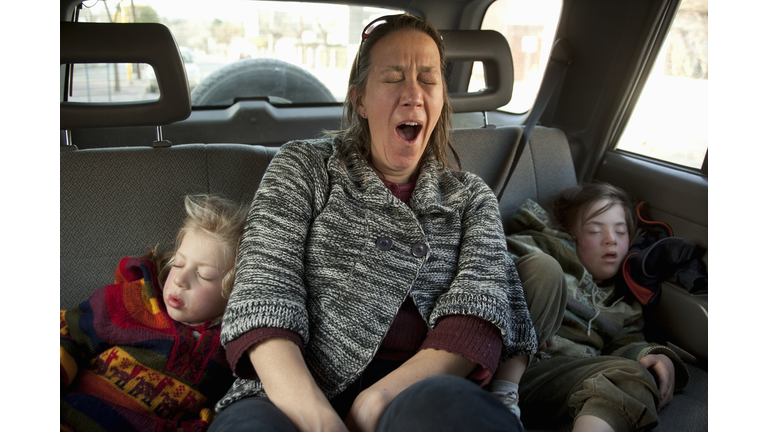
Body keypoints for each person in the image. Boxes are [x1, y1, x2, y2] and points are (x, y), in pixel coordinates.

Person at [210, 14, 537, 432]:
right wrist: (321, 421)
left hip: (418, 388)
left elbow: (480, 315)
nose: (413, 95)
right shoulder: (304, 167)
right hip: (288, 390)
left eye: (428, 79)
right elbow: (263, 296)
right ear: (360, 100)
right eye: (393, 78)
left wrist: (378, 398)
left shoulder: (471, 198)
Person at [492, 182, 690, 432]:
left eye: (621, 232)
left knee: (634, 377)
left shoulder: (622, 305)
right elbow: (493, 271)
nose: (611, 240)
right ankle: (498, 402)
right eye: (596, 230)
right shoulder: (536, 246)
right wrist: (532, 313)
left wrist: (652, 355)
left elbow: (624, 345)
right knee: (544, 268)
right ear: (570, 235)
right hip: (497, 361)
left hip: (553, 380)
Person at [60, 194, 249, 432]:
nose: (180, 279)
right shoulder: (134, 302)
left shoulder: (233, 345)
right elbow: (68, 329)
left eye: (203, 275)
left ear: (235, 290)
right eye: (178, 264)